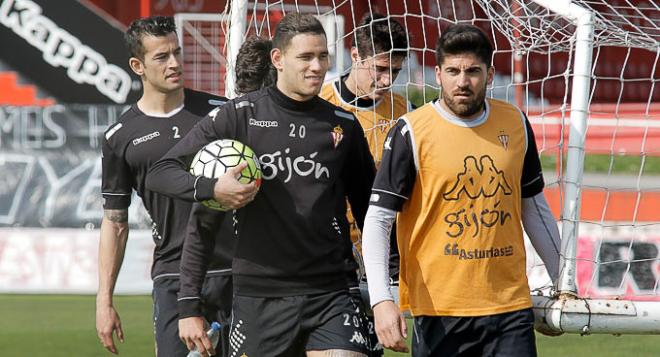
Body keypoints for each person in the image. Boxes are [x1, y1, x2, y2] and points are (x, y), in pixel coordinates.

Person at [146, 13, 376, 357]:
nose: (317, 67)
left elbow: (370, 212)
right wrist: (213, 189)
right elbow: (162, 171)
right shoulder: (239, 116)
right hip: (259, 296)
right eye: (305, 57)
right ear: (278, 60)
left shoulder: (343, 126)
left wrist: (386, 285)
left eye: (323, 56)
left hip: (331, 291)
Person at [362, 24, 561, 356]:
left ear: (490, 73)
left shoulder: (515, 123)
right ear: (438, 74)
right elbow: (379, 220)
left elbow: (535, 208)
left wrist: (563, 282)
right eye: (453, 71)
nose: (462, 82)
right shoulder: (411, 131)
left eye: (472, 71)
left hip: (509, 309)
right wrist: (382, 299)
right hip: (439, 311)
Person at [95, 16, 234, 357]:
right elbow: (115, 222)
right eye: (161, 57)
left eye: (177, 52)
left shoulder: (221, 113)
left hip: (238, 270)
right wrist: (104, 301)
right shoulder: (120, 137)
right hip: (173, 275)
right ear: (137, 65)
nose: (174, 63)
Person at [318, 13, 409, 357]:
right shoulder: (322, 104)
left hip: (383, 260)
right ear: (355, 55)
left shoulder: (406, 113)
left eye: (395, 72)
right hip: (328, 257)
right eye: (380, 69)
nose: (387, 80)